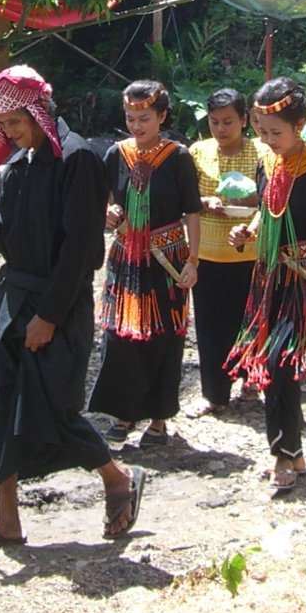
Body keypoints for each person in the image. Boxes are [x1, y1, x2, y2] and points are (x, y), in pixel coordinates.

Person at [0, 66, 142, 552]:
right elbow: (6, 239)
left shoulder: (78, 159)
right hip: (11, 299)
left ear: (37, 111)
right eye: (0, 125)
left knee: (51, 410)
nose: (7, 132)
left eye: (14, 122)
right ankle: (7, 520)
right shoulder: (19, 165)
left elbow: (79, 250)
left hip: (60, 304)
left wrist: (47, 316)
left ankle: (115, 478)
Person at [225, 78, 306, 493]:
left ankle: (280, 455)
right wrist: (248, 230)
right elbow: (267, 209)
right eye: (262, 131)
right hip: (268, 275)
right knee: (280, 368)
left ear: (301, 125)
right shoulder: (267, 164)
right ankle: (293, 452)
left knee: (281, 363)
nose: (268, 139)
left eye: (276, 132)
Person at [90, 81, 201, 447]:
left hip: (167, 259)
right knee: (120, 334)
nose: (136, 126)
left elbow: (193, 213)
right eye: (130, 118)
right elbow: (104, 200)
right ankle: (123, 413)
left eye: (144, 119)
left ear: (163, 117)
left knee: (164, 335)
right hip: (126, 258)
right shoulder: (116, 154)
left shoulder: (178, 157)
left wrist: (193, 261)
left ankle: (158, 419)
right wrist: (108, 212)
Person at [186, 89, 262, 418]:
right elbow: (185, 196)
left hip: (250, 253)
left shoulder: (262, 152)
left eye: (229, 121)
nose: (221, 129)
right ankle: (214, 394)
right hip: (207, 253)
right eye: (215, 122)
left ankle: (250, 382)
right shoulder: (197, 152)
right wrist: (204, 203)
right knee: (210, 326)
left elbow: (274, 198)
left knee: (249, 321)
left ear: (244, 121)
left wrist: (245, 202)